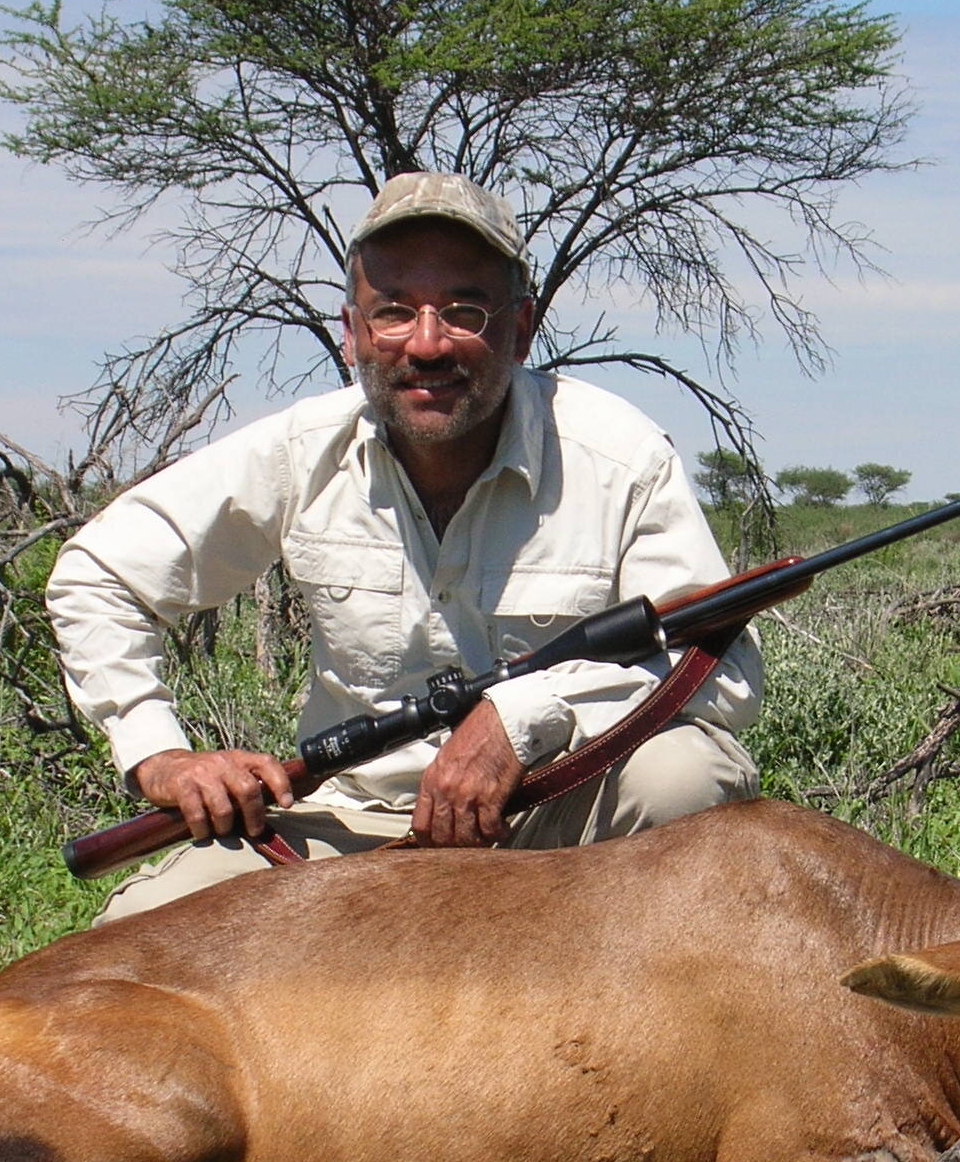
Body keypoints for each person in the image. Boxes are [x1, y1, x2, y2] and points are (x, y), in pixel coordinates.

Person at [48, 171, 763, 921]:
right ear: (352, 332)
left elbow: (718, 666)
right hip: (347, 827)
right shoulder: (300, 451)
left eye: (465, 310)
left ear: (520, 329)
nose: (427, 343)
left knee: (683, 776)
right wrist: (161, 754)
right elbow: (97, 579)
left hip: (563, 818)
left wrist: (529, 717)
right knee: (137, 937)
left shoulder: (621, 455)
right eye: (393, 312)